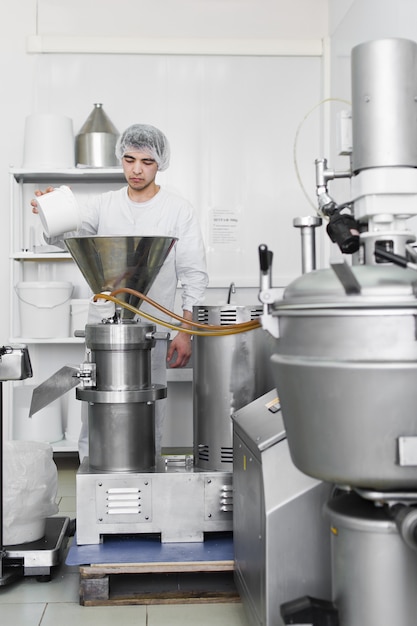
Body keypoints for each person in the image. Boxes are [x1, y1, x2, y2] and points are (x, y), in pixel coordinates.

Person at [32, 123, 208, 460]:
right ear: (121, 159)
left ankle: (144, 476)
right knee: (97, 407)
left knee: (147, 410)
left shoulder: (177, 210)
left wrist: (185, 332)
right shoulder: (104, 205)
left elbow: (194, 276)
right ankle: (92, 481)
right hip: (103, 330)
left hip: (152, 331)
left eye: (146, 162)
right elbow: (65, 236)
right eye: (129, 160)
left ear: (160, 164)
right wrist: (48, 211)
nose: (136, 170)